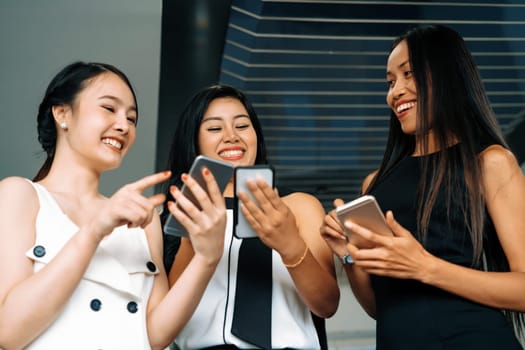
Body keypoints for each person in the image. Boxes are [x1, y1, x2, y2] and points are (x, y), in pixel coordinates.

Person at [321, 24, 525, 350]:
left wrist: (424, 267)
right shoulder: (374, 184)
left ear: (447, 76)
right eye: (390, 82)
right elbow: (379, 308)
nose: (395, 92)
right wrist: (349, 256)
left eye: (408, 74)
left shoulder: (491, 162)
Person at [0, 62, 227, 349]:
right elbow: (8, 331)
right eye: (109, 108)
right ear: (62, 114)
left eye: (132, 119)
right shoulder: (19, 195)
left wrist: (207, 258)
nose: (123, 126)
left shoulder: (143, 222)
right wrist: (94, 230)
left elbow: (154, 336)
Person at [162, 84, 340, 349]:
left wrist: (290, 245)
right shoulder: (175, 214)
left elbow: (326, 305)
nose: (232, 136)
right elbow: (169, 321)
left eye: (242, 126)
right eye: (214, 128)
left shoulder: (299, 206)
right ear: (194, 140)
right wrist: (193, 236)